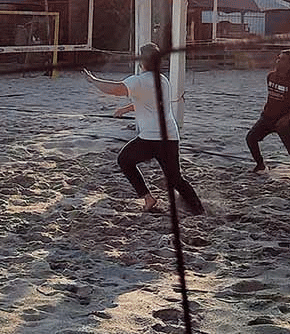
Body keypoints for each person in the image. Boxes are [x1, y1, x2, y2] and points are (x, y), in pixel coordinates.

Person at [85, 43, 204, 215]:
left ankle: (148, 198)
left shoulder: (139, 81)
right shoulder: (162, 80)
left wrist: (93, 80)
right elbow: (149, 102)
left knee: (124, 160)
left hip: (151, 138)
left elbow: (115, 89)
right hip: (170, 136)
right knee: (176, 179)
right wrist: (125, 109)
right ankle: (199, 210)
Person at [245, 49, 290, 177]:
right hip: (267, 118)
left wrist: (286, 119)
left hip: (284, 122)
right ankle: (260, 164)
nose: (278, 61)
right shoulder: (270, 76)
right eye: (278, 58)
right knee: (251, 138)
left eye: (282, 59)